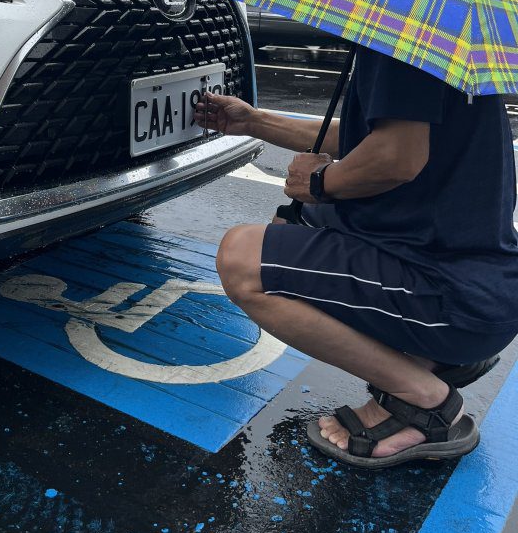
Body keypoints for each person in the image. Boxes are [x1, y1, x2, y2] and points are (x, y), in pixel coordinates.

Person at [198, 45, 518, 468]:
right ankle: (438, 357)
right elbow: (367, 138)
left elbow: (395, 157)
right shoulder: (439, 31)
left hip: (454, 299)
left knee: (241, 260)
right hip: (479, 280)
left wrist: (318, 182)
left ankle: (424, 404)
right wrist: (253, 121)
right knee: (295, 227)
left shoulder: (401, 28)